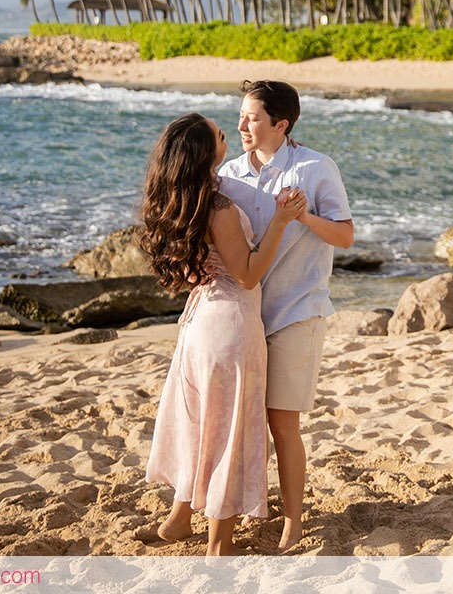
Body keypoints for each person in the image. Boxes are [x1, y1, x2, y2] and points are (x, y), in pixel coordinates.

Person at [138, 112, 306, 555]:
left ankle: (178, 518)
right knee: (229, 431)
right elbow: (248, 275)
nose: (227, 135)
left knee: (199, 423)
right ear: (203, 151)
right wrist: (281, 221)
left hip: (197, 325)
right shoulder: (219, 207)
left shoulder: (180, 199)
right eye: (218, 134)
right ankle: (219, 544)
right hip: (230, 325)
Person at [221, 80, 354, 550]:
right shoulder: (230, 173)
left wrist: (301, 217)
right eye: (240, 115)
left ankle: (293, 520)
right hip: (244, 315)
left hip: (299, 310)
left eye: (252, 118)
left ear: (281, 124)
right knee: (241, 422)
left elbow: (344, 236)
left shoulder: (317, 168)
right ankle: (239, 508)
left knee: (282, 424)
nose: (241, 125)